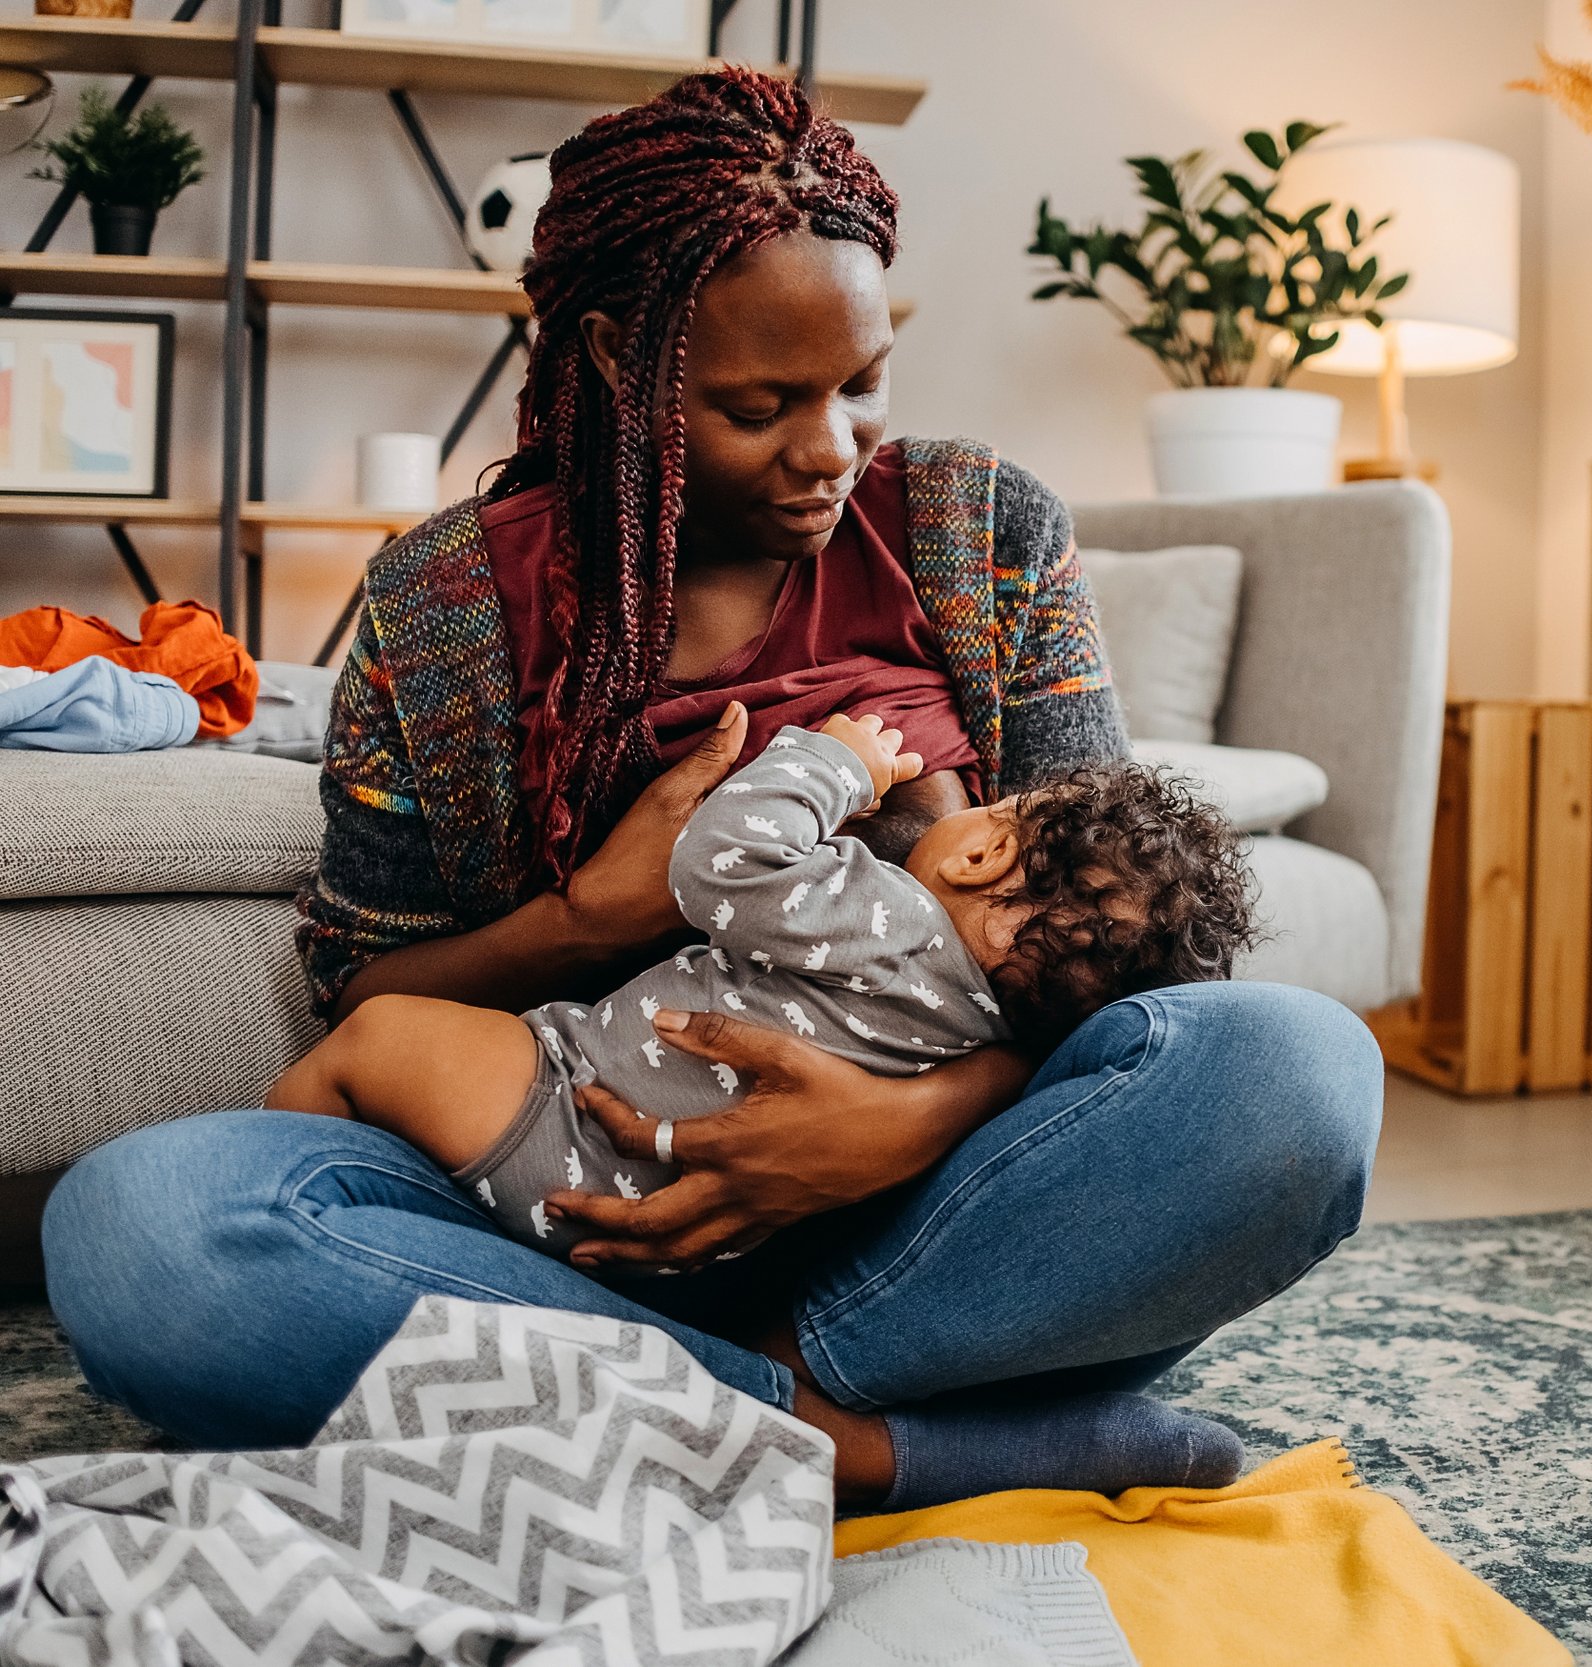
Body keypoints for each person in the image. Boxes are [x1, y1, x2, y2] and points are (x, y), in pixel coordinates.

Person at [39, 67, 1381, 1513]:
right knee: (147, 1226)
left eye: (861, 384)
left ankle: (690, 1404)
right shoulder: (448, 604)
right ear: (621, 356)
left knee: (1294, 1073)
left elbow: (1106, 935)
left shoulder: (977, 528)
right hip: (573, 1206)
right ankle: (846, 1437)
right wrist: (582, 915)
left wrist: (902, 1125)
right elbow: (366, 991)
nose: (830, 450)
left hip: (930, 1213)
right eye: (761, 404)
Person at [267, 709, 1257, 1264]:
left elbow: (722, 858)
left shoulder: (888, 917)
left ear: (984, 852)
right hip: (698, 1241)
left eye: (997, 806)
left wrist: (837, 762)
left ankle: (272, 1179)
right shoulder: (971, 1023)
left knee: (379, 1038)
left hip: (570, 1119)